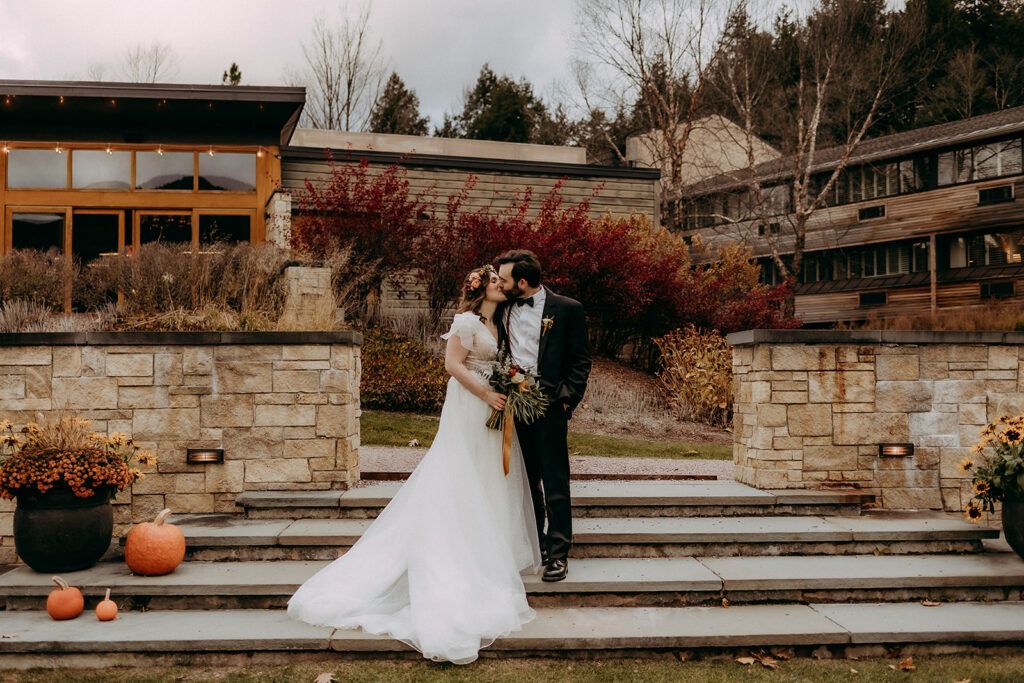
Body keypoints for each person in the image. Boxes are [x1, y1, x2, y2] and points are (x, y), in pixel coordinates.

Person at [287, 265, 541, 665]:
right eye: (494, 281)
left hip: (491, 408)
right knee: (460, 474)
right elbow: (453, 366)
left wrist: (508, 386)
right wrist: (487, 395)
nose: (501, 285)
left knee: (488, 475)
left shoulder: (498, 322)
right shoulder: (465, 320)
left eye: (501, 281)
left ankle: (487, 549)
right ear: (480, 289)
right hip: (468, 405)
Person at [496, 249, 591, 582]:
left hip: (550, 406)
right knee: (524, 481)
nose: (500, 283)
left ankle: (558, 553)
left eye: (505, 279)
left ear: (522, 282)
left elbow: (580, 361)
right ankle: (534, 546)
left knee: (554, 481)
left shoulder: (567, 309)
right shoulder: (500, 309)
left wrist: (565, 402)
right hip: (511, 406)